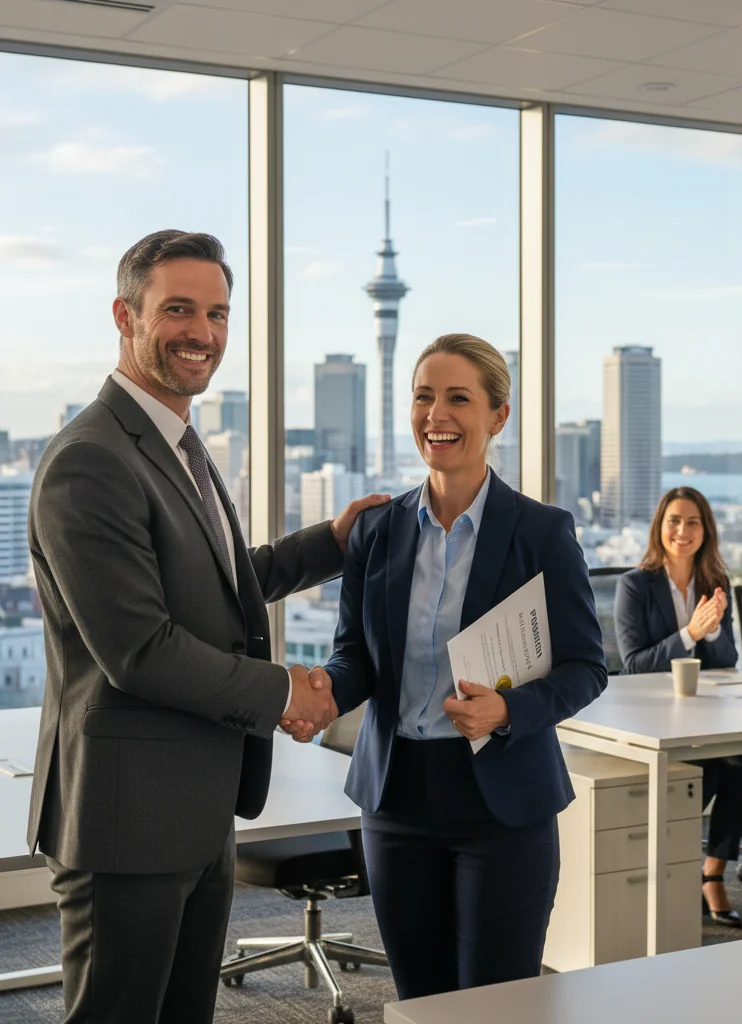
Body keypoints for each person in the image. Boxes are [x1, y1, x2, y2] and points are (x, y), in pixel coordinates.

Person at [27, 229, 387, 1024]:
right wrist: (288, 688)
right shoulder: (91, 459)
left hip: (197, 803)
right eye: (179, 310)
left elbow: (218, 590)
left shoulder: (178, 443)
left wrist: (330, 543)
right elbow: (140, 649)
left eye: (218, 313)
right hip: (127, 816)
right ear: (126, 315)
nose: (204, 333)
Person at [304, 333, 607, 1000]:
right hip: (396, 799)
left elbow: (587, 665)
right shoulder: (376, 531)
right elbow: (355, 655)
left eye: (458, 399)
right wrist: (326, 692)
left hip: (500, 803)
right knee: (422, 1000)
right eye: (423, 397)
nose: (436, 414)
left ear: (498, 416)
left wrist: (509, 709)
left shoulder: (541, 532)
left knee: (496, 1003)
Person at [613, 486, 742, 928]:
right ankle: (670, 867)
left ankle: (711, 873)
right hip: (649, 715)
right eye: (674, 520)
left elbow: (728, 661)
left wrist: (712, 632)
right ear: (660, 528)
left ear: (705, 531)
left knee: (741, 764)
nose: (683, 530)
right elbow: (634, 664)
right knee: (704, 773)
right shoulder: (634, 586)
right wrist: (691, 633)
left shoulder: (716, 584)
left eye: (693, 522)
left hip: (704, 713)